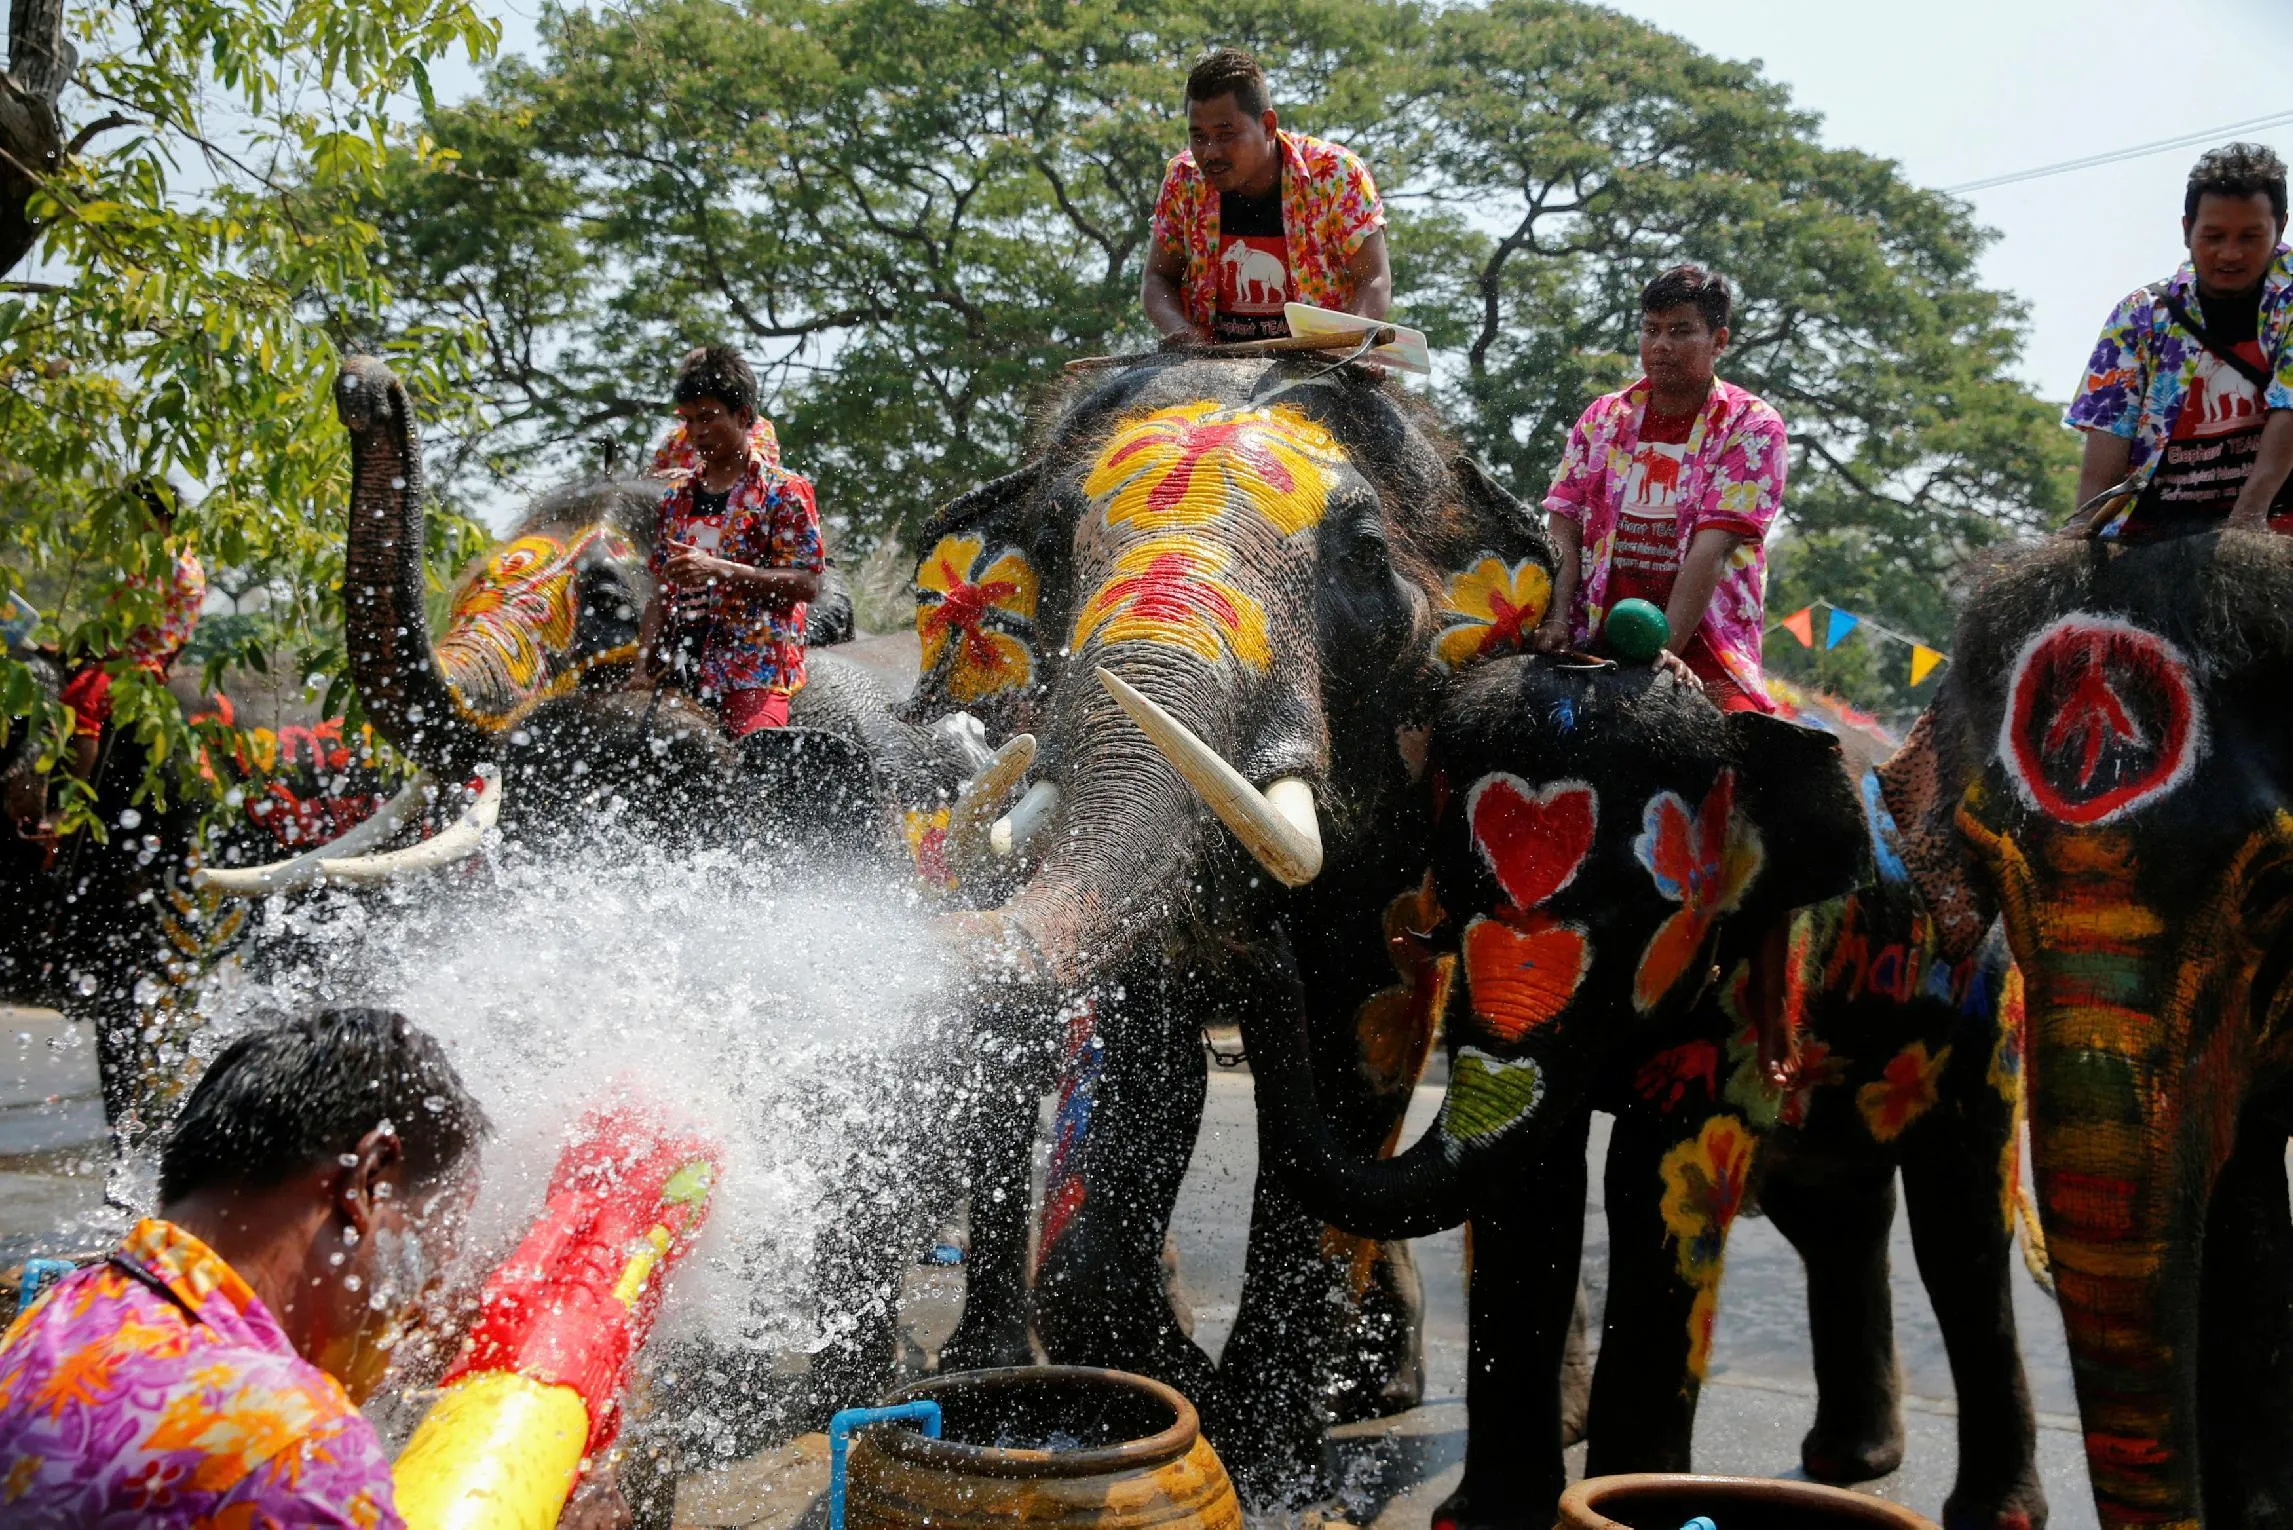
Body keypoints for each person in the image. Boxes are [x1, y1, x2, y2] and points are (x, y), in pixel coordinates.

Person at [0, 1007, 487, 1527]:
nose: (418, 1310)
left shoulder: (51, 1317)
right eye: (426, 1256)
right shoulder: (292, 1449)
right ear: (368, 1181)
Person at [1535, 265, 1788, 714]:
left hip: (1699, 647)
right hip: (1590, 629)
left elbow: (1714, 550)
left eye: (1680, 331)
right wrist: (1555, 619)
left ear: (1719, 341)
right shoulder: (1601, 418)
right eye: (1651, 330)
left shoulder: (1751, 425)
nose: (1661, 345)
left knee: (1751, 749)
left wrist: (1665, 646)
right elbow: (1563, 529)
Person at [2067, 142, 2293, 540]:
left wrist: (2243, 533)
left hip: (2273, 530)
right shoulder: (2139, 317)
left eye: (2250, 237)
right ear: (2187, 230)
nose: (2230, 253)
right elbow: (2109, 435)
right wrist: (2082, 535)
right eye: (2214, 236)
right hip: (2156, 540)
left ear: (2281, 229)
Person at [630, 346, 823, 736]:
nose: (697, 432)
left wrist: (717, 570)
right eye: (690, 420)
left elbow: (808, 584)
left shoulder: (784, 493)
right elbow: (662, 590)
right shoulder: (675, 499)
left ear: (744, 416)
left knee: (750, 774)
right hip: (682, 666)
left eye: (709, 418)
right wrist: (642, 663)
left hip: (753, 669)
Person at [1141, 48, 1391, 345]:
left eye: (1225, 135)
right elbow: (1157, 278)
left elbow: (1374, 278)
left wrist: (1345, 345)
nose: (1210, 152)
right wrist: (1180, 331)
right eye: (1199, 137)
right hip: (1213, 366)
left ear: (1268, 126)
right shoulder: (1183, 178)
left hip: (1319, 361)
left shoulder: (1335, 174)